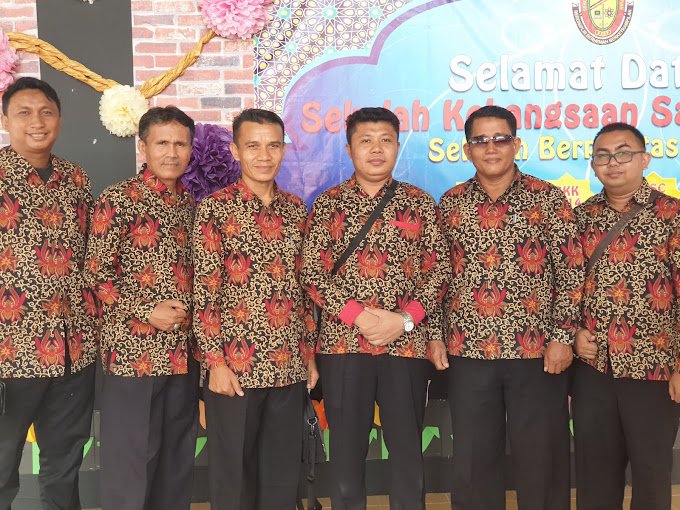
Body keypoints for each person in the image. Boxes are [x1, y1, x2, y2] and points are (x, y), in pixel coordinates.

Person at [301, 106, 450, 510]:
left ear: (398, 147)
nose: (376, 149)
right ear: (349, 149)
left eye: (386, 140)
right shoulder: (328, 205)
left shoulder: (419, 204)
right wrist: (359, 317)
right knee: (346, 458)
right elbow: (312, 273)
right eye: (365, 141)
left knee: (407, 456)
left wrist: (404, 321)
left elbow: (439, 271)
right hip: (343, 347)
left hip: (405, 348)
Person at [438, 105, 585, 510]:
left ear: (516, 144)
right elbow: (436, 277)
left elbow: (572, 271)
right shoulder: (450, 204)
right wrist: (434, 336)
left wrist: (562, 337)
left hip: (537, 353)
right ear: (467, 149)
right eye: (480, 140)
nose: (491, 148)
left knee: (541, 461)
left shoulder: (547, 199)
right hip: (468, 352)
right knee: (473, 464)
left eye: (500, 138)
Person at [192, 108, 317, 510]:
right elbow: (205, 291)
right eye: (253, 146)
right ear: (235, 150)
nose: (264, 155)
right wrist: (215, 364)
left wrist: (308, 356)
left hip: (288, 368)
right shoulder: (215, 209)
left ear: (283, 150)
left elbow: (304, 290)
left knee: (281, 478)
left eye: (273, 145)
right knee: (234, 479)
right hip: (235, 370)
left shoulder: (296, 210)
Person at [84, 106, 199, 510]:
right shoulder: (119, 198)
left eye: (180, 143)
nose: (172, 152)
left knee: (175, 463)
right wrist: (147, 309)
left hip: (183, 357)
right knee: (131, 466)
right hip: (135, 357)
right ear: (143, 147)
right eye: (162, 143)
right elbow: (95, 273)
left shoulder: (189, 203)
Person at [0, 77, 98, 510]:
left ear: (59, 118)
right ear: (6, 121)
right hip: (11, 351)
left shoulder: (76, 178)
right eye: (24, 113)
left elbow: (91, 256)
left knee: (64, 464)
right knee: (2, 463)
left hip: (73, 349)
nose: (37, 122)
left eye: (46, 112)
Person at [571, 122, 680, 510]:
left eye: (623, 153)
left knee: (651, 475)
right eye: (603, 155)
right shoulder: (579, 218)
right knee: (595, 477)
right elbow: (565, 288)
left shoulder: (672, 215)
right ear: (593, 165)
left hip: (654, 368)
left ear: (645, 159)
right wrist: (572, 334)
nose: (613, 162)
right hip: (593, 368)